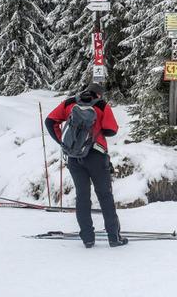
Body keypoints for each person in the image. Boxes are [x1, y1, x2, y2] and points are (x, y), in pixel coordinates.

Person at [45, 83, 127, 248]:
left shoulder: (69, 103)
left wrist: (63, 143)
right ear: (99, 95)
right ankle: (114, 237)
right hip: (96, 155)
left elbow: (49, 121)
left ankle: (88, 239)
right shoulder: (102, 106)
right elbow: (111, 130)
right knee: (105, 196)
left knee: (82, 197)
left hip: (74, 158)